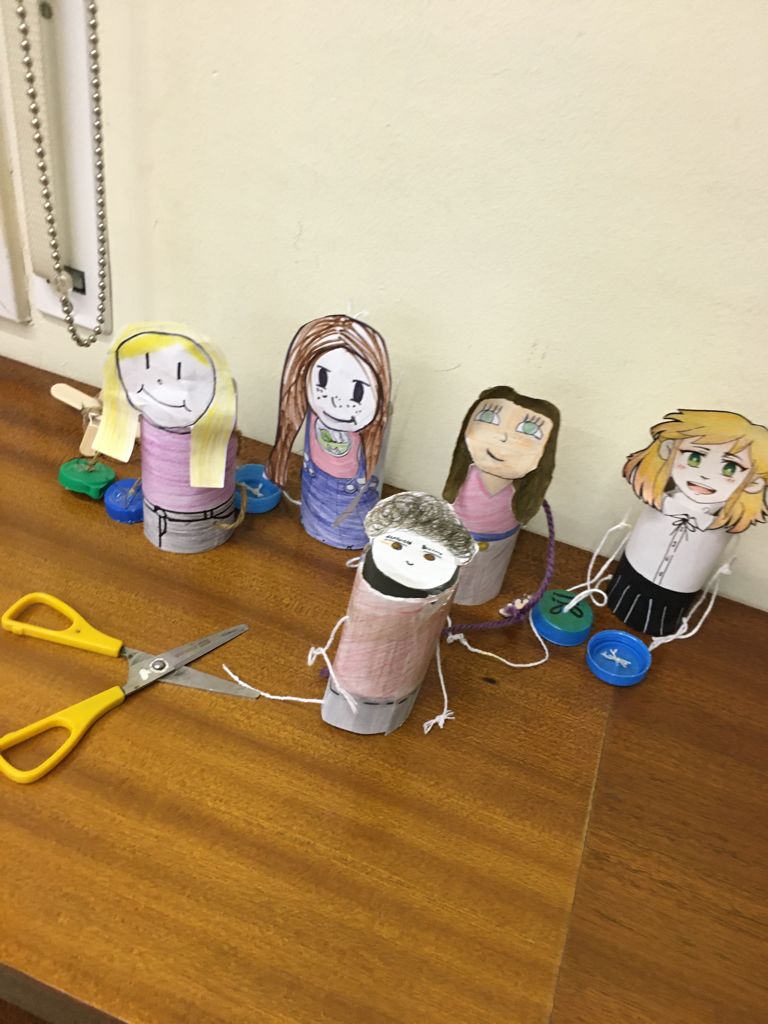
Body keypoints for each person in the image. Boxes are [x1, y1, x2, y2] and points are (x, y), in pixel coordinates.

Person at [608, 409, 768, 635]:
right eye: (694, 458)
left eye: (729, 468)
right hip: (627, 576)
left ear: (754, 483)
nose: (706, 475)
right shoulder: (660, 501)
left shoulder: (721, 526)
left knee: (661, 619)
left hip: (677, 595)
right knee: (619, 598)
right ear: (669, 450)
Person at [266, 314, 391, 550]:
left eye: (357, 392)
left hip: (353, 498)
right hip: (313, 486)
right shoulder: (315, 408)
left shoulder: (374, 425)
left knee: (350, 529)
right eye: (322, 379)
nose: (334, 400)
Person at [443, 385, 560, 605]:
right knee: (449, 577)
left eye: (529, 429)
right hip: (453, 538)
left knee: (483, 579)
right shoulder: (466, 476)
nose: (504, 437)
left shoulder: (519, 489)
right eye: (488, 416)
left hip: (498, 544)